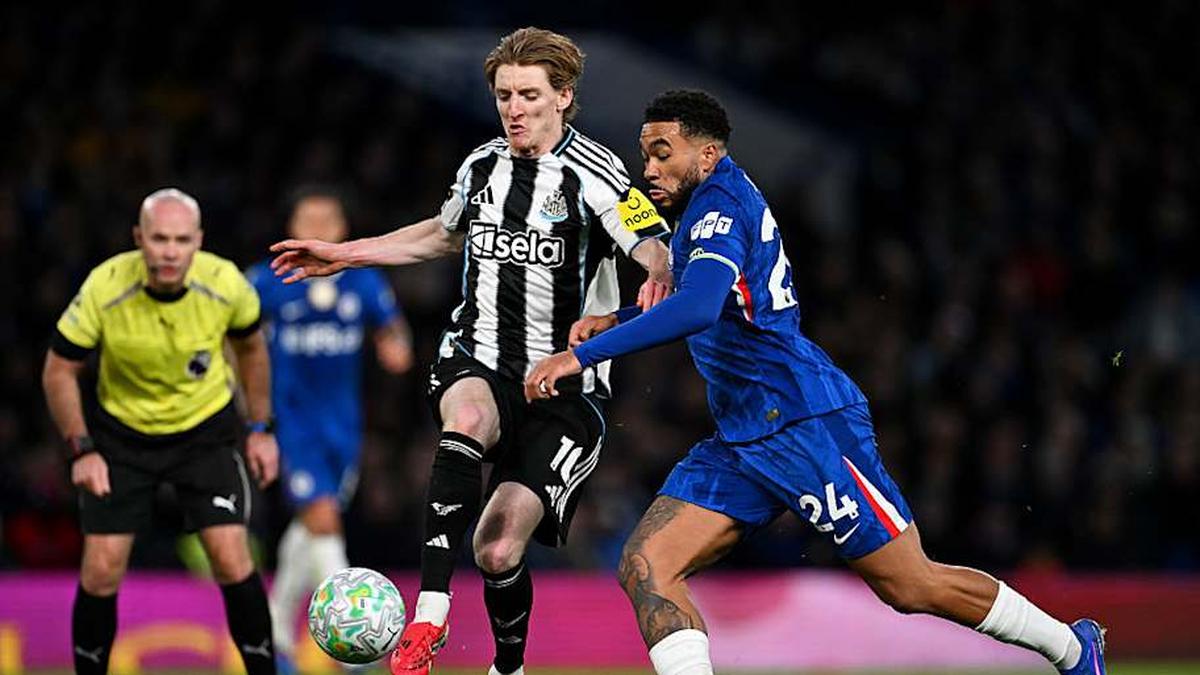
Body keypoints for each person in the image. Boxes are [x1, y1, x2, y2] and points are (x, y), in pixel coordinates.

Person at [525, 90, 1107, 675]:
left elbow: (697, 308)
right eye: (645, 153)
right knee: (648, 564)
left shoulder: (719, 208)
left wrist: (583, 356)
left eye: (662, 153)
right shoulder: (703, 205)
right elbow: (709, 300)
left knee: (910, 584)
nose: (649, 168)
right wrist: (618, 318)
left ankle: (1073, 647)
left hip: (805, 423)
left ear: (706, 155)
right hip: (744, 435)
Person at [268, 27, 672, 675]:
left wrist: (656, 270)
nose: (514, 108)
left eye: (529, 95)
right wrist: (345, 254)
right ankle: (430, 612)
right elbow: (441, 233)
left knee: (497, 549)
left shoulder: (597, 174)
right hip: (477, 356)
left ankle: (508, 666)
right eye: (504, 95)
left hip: (566, 388)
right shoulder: (481, 165)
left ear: (564, 97)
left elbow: (649, 241)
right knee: (468, 418)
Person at [42, 188, 280, 675]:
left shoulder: (225, 283)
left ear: (199, 241)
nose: (170, 251)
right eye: (159, 239)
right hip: (121, 437)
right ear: (139, 239)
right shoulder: (105, 286)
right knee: (101, 567)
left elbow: (252, 350)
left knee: (232, 559)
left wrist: (259, 428)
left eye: (181, 240)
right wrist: (81, 450)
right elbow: (58, 370)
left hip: (204, 433)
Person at [245, 185, 415, 670]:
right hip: (291, 423)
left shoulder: (363, 282)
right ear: (292, 228)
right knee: (322, 520)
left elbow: (393, 329)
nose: (318, 229)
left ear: (343, 229)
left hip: (344, 427)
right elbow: (227, 331)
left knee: (310, 528)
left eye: (328, 220)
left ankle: (274, 631)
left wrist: (396, 345)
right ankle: (355, 651)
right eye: (309, 220)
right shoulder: (267, 280)